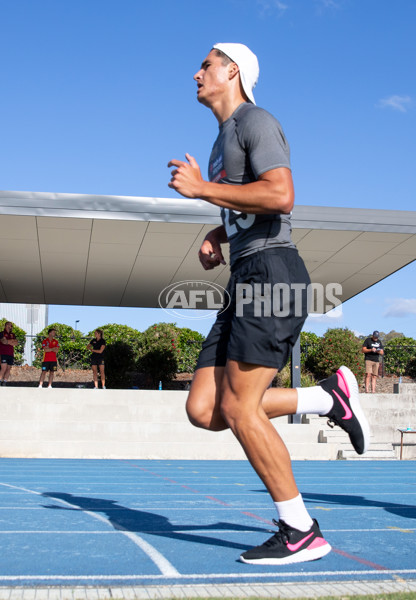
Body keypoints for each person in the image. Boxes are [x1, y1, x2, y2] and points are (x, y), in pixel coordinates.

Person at [168, 43, 371, 565]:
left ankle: (301, 530)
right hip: (245, 279)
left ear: (231, 71)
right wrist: (220, 231)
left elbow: (280, 195)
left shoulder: (255, 120)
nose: (197, 72)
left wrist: (203, 191)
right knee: (204, 409)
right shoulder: (220, 140)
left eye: (206, 65)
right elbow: (247, 202)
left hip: (272, 273)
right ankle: (326, 399)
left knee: (239, 407)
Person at [0, 321, 18, 386]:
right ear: (6, 326)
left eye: (11, 326)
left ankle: (5, 382)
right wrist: (10, 342)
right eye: (9, 325)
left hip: (10, 353)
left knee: (8, 368)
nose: (10, 327)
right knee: (3, 368)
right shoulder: (2, 333)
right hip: (3, 353)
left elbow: (16, 343)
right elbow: (3, 341)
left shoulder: (13, 334)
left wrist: (8, 341)